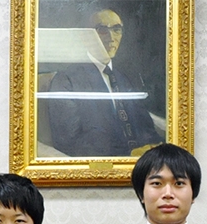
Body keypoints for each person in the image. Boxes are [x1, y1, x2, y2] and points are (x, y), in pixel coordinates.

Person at [48, 7, 161, 157]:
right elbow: (69, 141)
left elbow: (145, 126)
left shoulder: (124, 79)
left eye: (116, 29)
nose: (111, 37)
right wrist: (128, 154)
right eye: (102, 30)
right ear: (86, 37)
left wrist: (155, 147)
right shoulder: (67, 80)